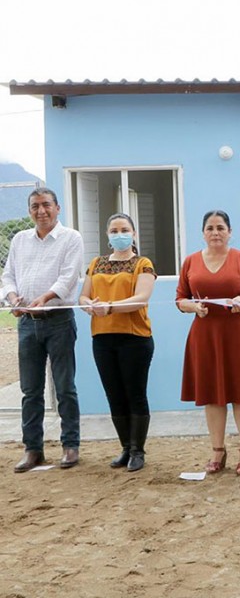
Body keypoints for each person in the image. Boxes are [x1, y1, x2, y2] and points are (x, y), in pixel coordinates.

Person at [176, 210, 240, 475]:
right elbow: (180, 299)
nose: (215, 233)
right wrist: (193, 307)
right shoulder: (190, 262)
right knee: (211, 394)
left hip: (238, 334)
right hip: (205, 334)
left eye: (220, 227)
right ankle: (217, 449)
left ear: (230, 231)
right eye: (210, 228)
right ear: (203, 233)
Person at [1, 187, 84, 472]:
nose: (41, 211)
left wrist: (45, 298)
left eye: (46, 205)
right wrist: (12, 298)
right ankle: (33, 449)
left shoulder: (71, 238)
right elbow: (8, 275)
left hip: (58, 320)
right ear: (29, 211)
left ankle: (70, 446)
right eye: (35, 206)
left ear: (57, 208)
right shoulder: (20, 240)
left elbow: (68, 276)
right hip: (26, 324)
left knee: (65, 387)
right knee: (30, 390)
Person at [79, 213, 156, 472]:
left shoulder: (142, 264)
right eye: (114, 230)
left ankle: (138, 450)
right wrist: (88, 305)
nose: (119, 233)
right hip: (102, 338)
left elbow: (141, 298)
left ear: (134, 234)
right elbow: (83, 296)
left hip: (134, 338)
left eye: (124, 229)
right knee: (114, 394)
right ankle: (125, 447)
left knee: (135, 393)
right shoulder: (96, 263)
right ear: (107, 235)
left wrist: (110, 307)